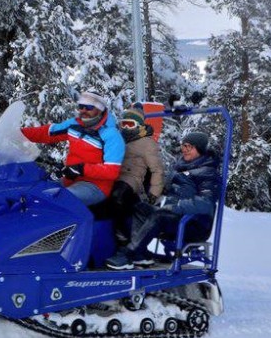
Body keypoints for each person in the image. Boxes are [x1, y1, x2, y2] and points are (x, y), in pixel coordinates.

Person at [104, 130, 220, 270]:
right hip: (174, 216)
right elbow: (166, 189)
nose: (184, 150)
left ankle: (130, 253)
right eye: (183, 146)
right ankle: (139, 252)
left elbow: (206, 203)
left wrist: (176, 206)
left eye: (189, 147)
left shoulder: (208, 173)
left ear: (200, 149)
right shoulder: (181, 167)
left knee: (159, 216)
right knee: (139, 208)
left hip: (193, 223)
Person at [20, 91, 124, 206]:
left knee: (56, 199)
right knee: (33, 193)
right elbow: (47, 132)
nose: (84, 110)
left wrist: (81, 169)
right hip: (70, 180)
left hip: (95, 186)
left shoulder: (111, 135)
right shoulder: (75, 125)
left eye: (89, 107)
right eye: (81, 106)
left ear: (100, 109)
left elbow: (111, 171)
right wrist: (18, 134)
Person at [96, 104, 166, 240]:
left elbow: (157, 170)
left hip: (131, 178)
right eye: (124, 124)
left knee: (117, 196)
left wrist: (154, 193)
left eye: (130, 124)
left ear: (139, 125)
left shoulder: (147, 143)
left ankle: (123, 233)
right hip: (114, 175)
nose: (126, 128)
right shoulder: (119, 139)